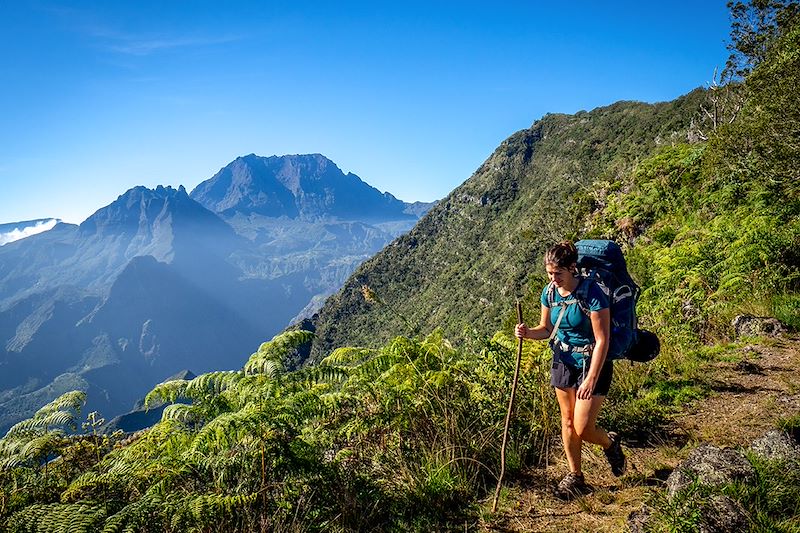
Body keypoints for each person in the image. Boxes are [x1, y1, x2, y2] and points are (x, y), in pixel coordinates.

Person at [515, 241, 626, 499]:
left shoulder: (593, 293)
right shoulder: (549, 293)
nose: (553, 279)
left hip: (592, 363)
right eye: (549, 273)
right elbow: (546, 329)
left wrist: (591, 379)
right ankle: (576, 476)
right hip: (563, 360)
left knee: (583, 427)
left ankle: (610, 443)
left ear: (572, 268)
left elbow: (602, 340)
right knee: (567, 421)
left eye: (558, 274)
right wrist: (527, 333)